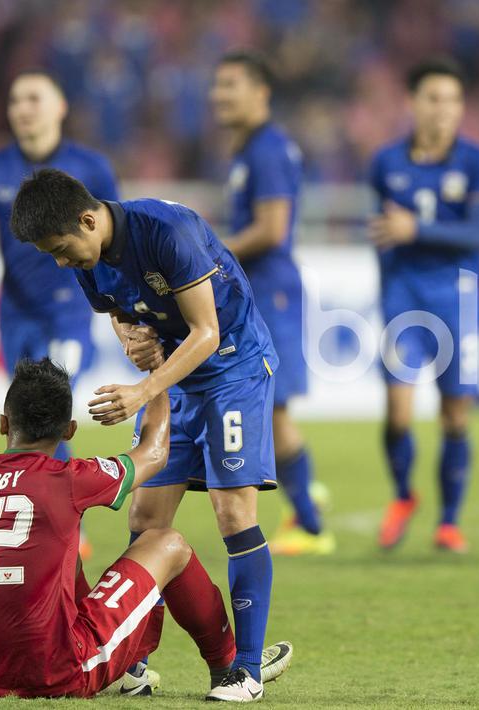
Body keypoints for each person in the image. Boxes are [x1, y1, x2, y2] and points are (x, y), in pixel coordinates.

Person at [9, 168, 280, 701]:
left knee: (232, 513)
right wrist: (132, 339)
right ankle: (133, 663)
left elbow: (208, 332)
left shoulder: (167, 231)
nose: (61, 262)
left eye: (61, 249)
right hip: (171, 377)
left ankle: (246, 669)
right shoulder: (88, 257)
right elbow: (117, 313)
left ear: (88, 221)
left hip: (233, 371)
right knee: (145, 518)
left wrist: (143, 389)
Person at [0, 358, 246, 699]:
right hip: (58, 673)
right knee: (166, 543)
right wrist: (155, 382)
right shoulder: (66, 479)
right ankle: (228, 665)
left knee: (63, 557)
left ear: (3, 423)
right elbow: (154, 454)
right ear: (69, 431)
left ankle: (131, 668)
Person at [0, 71, 118, 560]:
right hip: (15, 312)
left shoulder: (90, 166)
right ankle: (49, 517)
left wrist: (120, 300)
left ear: (60, 107)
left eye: (34, 98)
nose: (23, 108)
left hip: (70, 310)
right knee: (29, 415)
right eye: (15, 100)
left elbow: (114, 231)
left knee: (51, 405)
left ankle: (65, 525)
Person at [367, 57, 479, 553]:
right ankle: (404, 494)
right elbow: (383, 231)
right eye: (433, 98)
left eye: (452, 100)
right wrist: (389, 289)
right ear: (413, 103)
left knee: (455, 414)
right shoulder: (386, 162)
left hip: (457, 296)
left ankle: (448, 521)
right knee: (398, 410)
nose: (444, 109)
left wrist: (416, 229)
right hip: (404, 296)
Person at [209, 49, 334, 556]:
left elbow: (272, 229)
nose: (219, 94)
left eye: (230, 84)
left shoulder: (266, 150)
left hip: (271, 290)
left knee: (274, 409)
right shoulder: (249, 149)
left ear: (261, 92)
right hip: (258, 291)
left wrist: (209, 252)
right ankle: (306, 507)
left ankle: (310, 523)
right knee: (270, 410)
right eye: (217, 85)